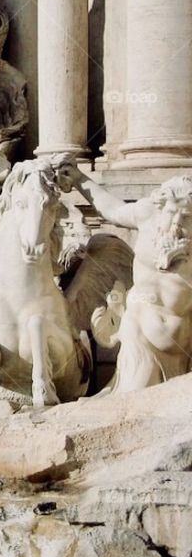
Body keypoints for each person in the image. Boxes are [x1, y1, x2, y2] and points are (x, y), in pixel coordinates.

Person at [59, 162, 192, 392]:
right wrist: (80, 179)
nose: (177, 222)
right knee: (131, 397)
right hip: (138, 329)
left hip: (181, 344)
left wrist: (185, 266)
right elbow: (112, 210)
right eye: (172, 212)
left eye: (187, 216)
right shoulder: (148, 213)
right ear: (162, 206)